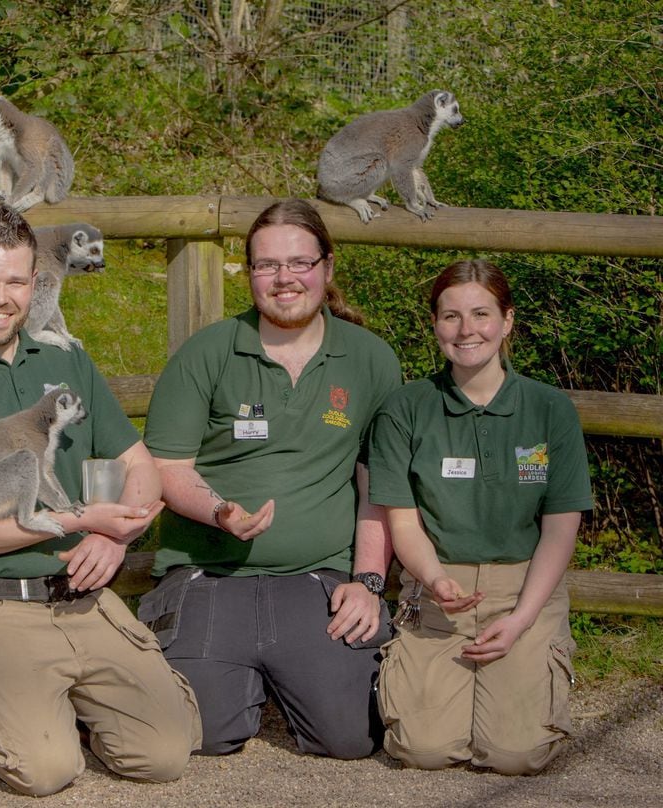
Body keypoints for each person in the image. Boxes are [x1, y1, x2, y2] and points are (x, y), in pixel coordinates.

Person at [0, 203, 201, 797]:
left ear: (36, 284)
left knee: (165, 754)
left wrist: (116, 535)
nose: (0, 298)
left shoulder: (65, 360)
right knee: (45, 770)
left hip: (87, 596)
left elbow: (140, 467)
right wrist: (74, 520)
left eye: (14, 282)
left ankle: (45, 697)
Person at [139, 198, 402, 759]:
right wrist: (218, 511)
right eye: (267, 265)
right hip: (211, 575)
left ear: (327, 268)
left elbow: (376, 486)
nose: (284, 279)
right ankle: (246, 672)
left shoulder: (371, 360)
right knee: (201, 735)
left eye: (299, 263)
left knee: (351, 737)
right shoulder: (206, 352)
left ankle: (280, 670)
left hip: (317, 581)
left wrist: (369, 582)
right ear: (251, 273)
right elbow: (166, 467)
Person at [367, 259, 592, 774]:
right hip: (438, 590)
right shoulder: (405, 408)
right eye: (451, 317)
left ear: (507, 321)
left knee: (516, 755)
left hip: (522, 588)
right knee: (422, 750)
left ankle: (525, 669)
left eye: (481, 314)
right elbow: (403, 522)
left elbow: (560, 528)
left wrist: (521, 619)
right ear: (434, 325)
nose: (467, 330)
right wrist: (435, 578)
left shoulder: (549, 408)